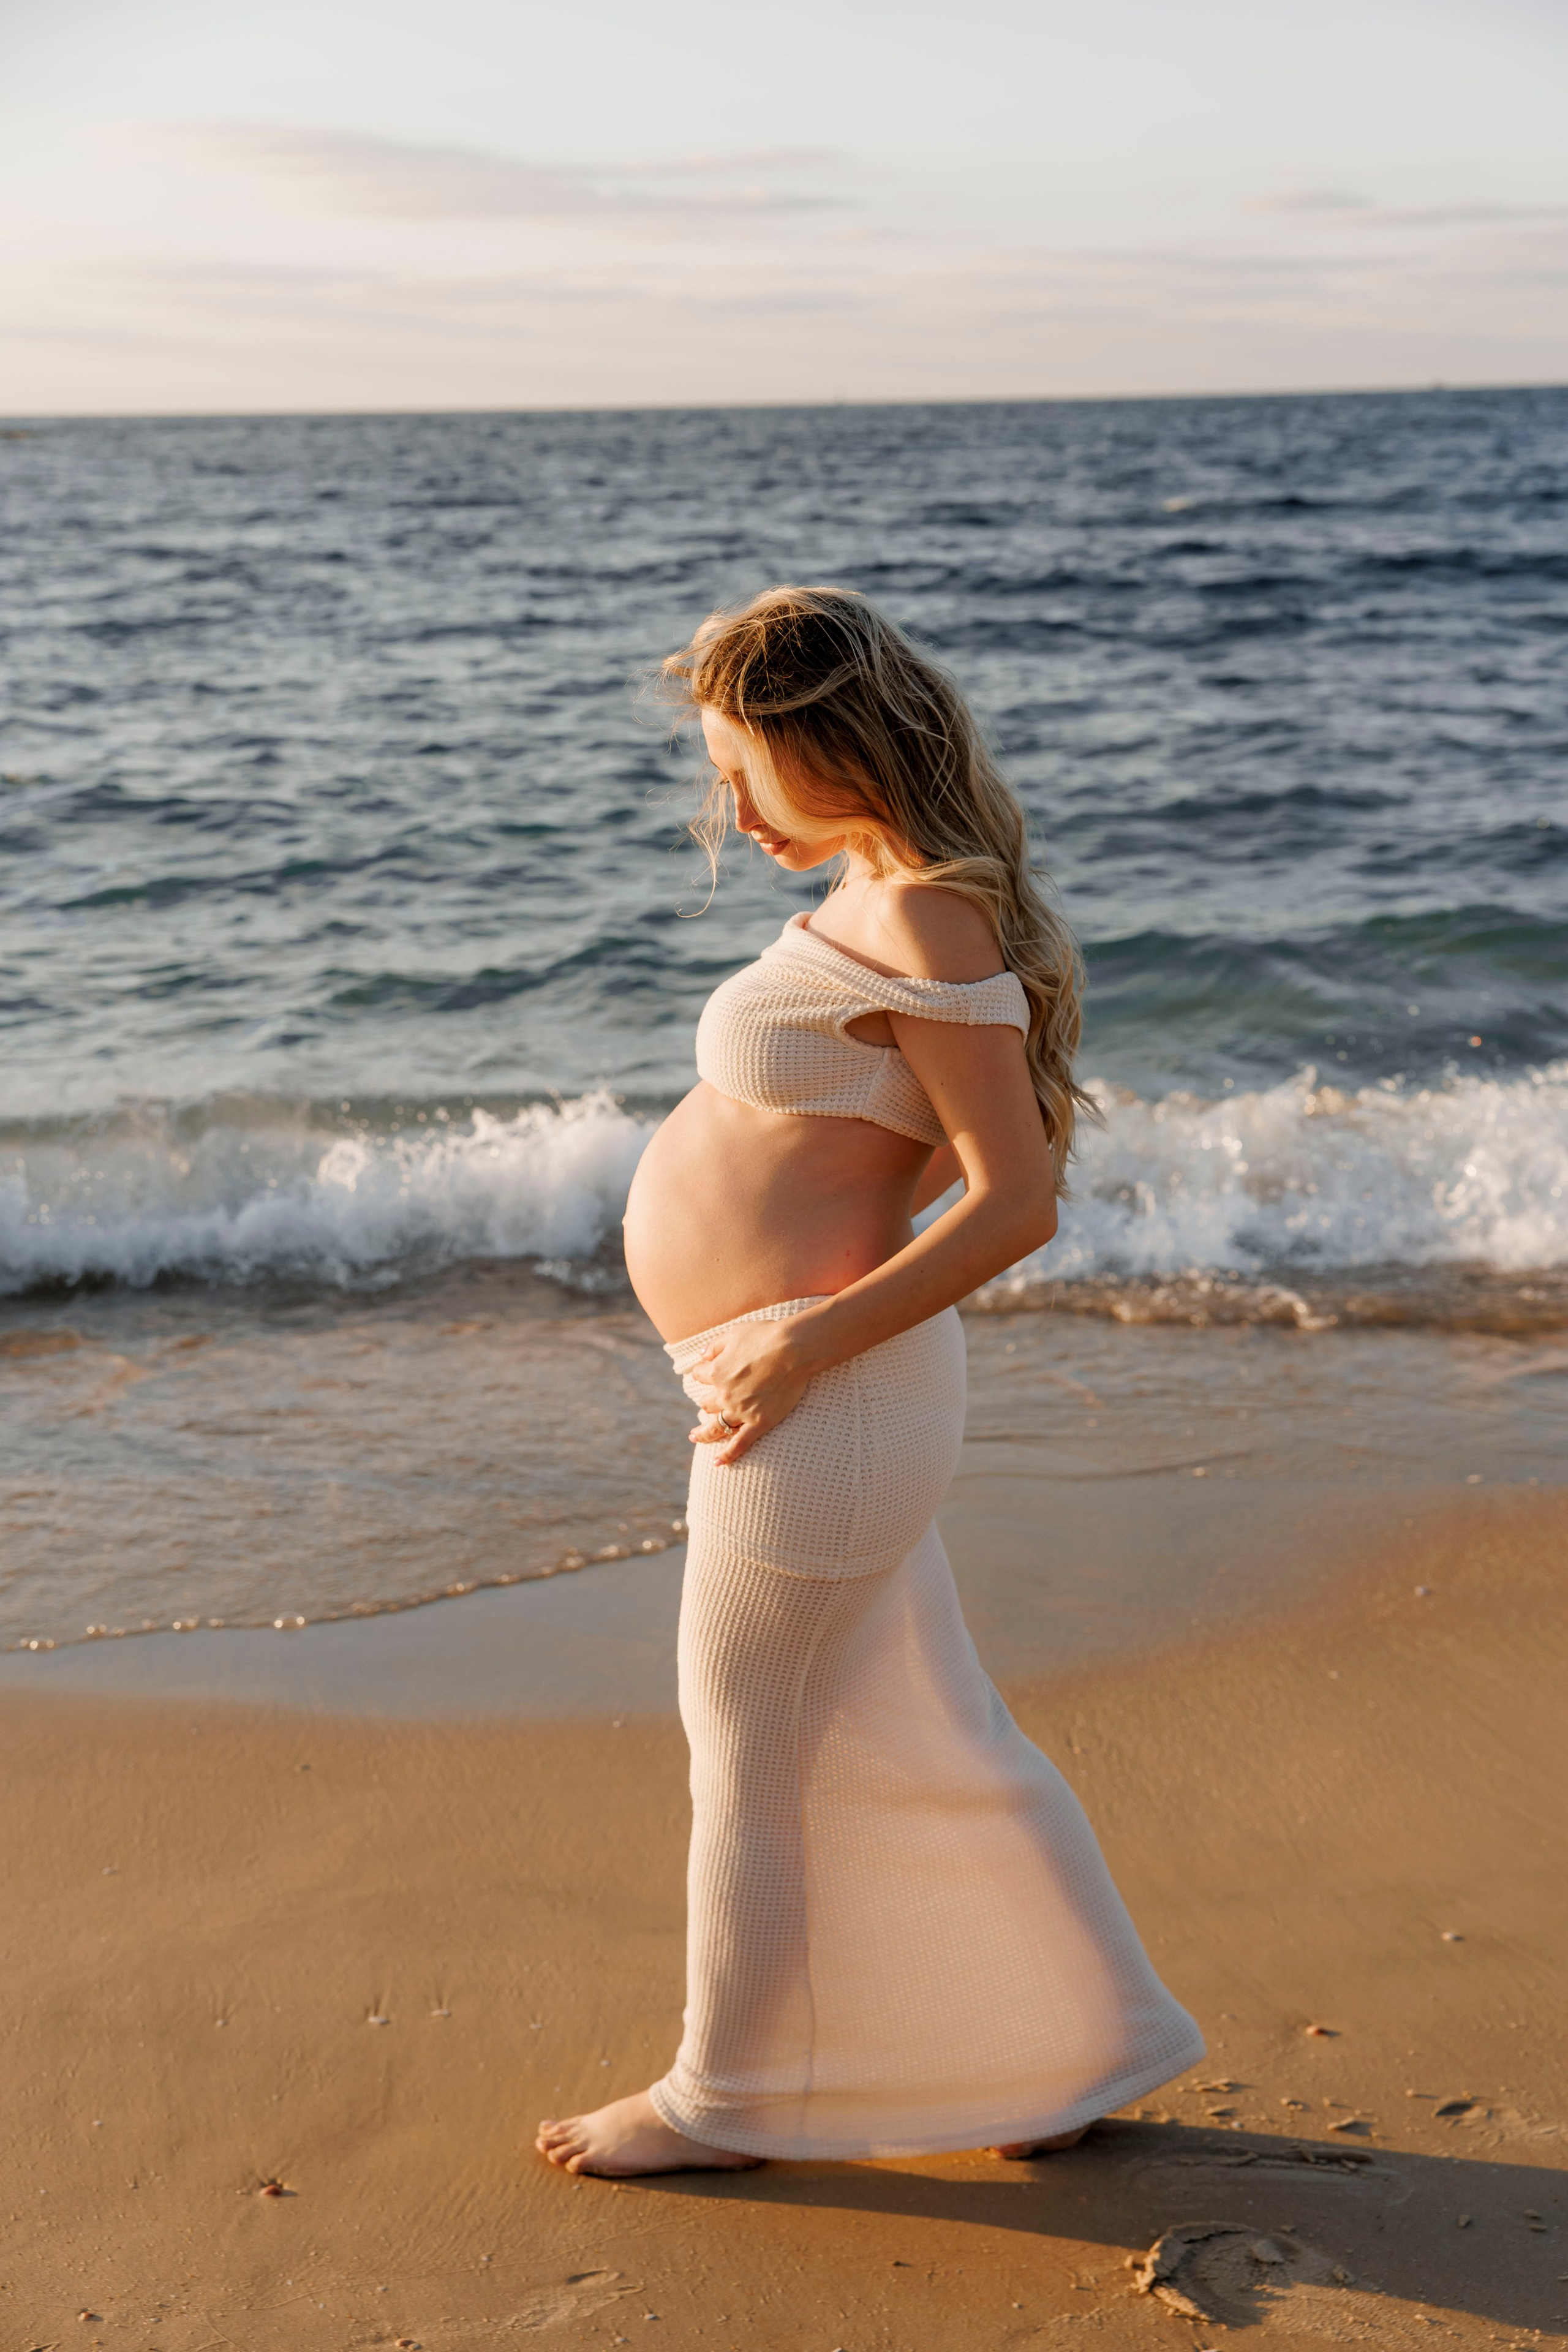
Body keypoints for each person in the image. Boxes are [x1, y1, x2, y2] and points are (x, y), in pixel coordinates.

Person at [536, 585, 1203, 2178]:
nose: (732, 809)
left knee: (747, 1743)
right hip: (810, 1388)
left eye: (746, 768)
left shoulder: (927, 919)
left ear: (829, 740)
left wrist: (799, 1334)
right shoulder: (882, 899)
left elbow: (1018, 1199)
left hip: (822, 1398)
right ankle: (1086, 2039)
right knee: (925, 1719)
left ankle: (725, 2100)